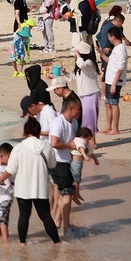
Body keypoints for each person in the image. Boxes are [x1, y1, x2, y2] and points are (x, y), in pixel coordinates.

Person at [0, 119, 62, 246]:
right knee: (45, 216)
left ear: (25, 132)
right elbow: (52, 164)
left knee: (24, 216)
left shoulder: (18, 148)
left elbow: (11, 170)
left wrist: (1, 178)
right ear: (39, 132)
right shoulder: (47, 146)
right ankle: (57, 242)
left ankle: (22, 244)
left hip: (23, 188)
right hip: (40, 188)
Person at [48, 94, 82, 236]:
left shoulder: (74, 122)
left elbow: (75, 142)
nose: (80, 112)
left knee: (63, 195)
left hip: (67, 161)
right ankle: (66, 229)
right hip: (57, 162)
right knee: (68, 193)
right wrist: (70, 145)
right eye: (78, 109)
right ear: (70, 109)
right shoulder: (58, 122)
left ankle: (57, 224)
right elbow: (54, 143)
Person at [71, 41, 101, 143]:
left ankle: (93, 142)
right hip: (84, 94)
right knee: (85, 119)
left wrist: (77, 55)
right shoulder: (81, 66)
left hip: (91, 94)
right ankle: (88, 140)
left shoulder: (89, 63)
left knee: (89, 120)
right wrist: (65, 73)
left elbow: (82, 65)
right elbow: (75, 78)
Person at [102, 26, 127, 135]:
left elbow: (120, 68)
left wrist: (114, 84)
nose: (108, 39)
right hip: (109, 79)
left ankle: (115, 129)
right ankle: (108, 127)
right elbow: (110, 62)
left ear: (113, 37)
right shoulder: (116, 48)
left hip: (115, 81)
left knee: (114, 104)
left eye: (109, 37)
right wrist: (101, 54)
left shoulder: (121, 49)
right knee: (108, 104)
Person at [71, 126, 99, 203]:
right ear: (83, 136)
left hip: (79, 163)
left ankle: (76, 194)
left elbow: (90, 151)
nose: (88, 141)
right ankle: (75, 195)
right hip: (75, 163)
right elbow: (81, 148)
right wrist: (85, 156)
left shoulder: (85, 142)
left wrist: (95, 159)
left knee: (77, 179)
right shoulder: (78, 140)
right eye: (88, 139)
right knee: (76, 179)